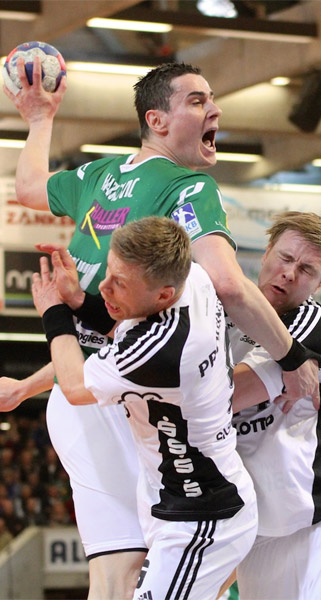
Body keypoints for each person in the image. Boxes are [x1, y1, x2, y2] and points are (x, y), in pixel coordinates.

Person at [0, 60, 321, 598]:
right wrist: (292, 355)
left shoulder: (99, 176)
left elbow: (28, 188)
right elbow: (228, 285)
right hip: (126, 405)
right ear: (156, 121)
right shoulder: (189, 186)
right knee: (176, 555)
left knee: (116, 574)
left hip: (78, 396)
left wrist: (40, 118)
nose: (215, 109)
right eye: (197, 101)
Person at [31, 216, 258, 599]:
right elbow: (125, 326)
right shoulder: (193, 278)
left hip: (203, 517)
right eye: (108, 272)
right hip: (181, 500)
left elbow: (73, 385)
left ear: (164, 295)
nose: (105, 286)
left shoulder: (166, 348)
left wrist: (54, 311)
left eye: (119, 283)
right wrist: (81, 301)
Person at [226, 212, 321, 599]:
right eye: (285, 258)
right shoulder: (217, 312)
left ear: (320, 284)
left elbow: (228, 397)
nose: (289, 273)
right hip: (258, 533)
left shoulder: (315, 323)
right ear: (266, 253)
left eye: (306, 269)